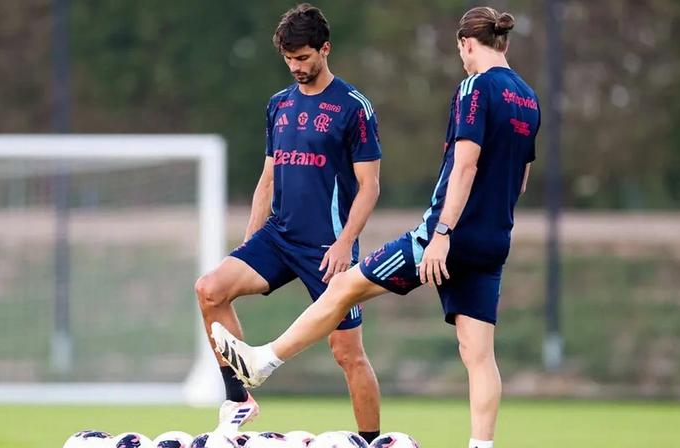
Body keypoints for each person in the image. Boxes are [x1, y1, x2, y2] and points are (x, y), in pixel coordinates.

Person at [211, 7, 539, 448]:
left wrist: (442, 234)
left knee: (345, 286)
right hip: (495, 238)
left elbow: (465, 164)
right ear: (506, 43)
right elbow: (520, 179)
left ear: (466, 44)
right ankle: (482, 445)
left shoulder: (475, 87)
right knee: (479, 356)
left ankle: (265, 361)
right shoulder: (528, 97)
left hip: (443, 237)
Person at [195, 3, 383, 442]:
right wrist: (248, 244)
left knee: (348, 353)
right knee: (210, 288)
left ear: (325, 49)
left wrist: (345, 244)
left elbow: (369, 186)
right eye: (288, 59)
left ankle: (373, 440)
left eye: (303, 57)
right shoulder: (278, 105)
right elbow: (267, 179)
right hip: (278, 237)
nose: (296, 67)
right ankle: (240, 400)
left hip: (327, 249)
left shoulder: (353, 107)